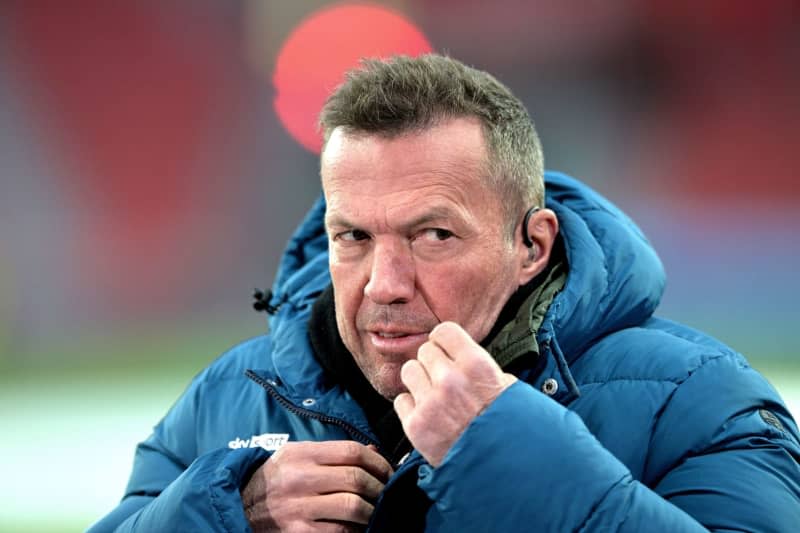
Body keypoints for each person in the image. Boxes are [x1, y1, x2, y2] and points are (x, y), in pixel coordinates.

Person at [89, 54, 800, 532]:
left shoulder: (700, 399)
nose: (385, 285)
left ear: (533, 245)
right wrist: (223, 511)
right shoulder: (226, 402)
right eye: (354, 237)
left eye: (433, 235)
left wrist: (516, 457)